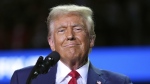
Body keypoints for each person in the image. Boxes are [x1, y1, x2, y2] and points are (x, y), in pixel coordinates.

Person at [11, 4, 133, 84]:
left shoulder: (119, 82)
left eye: (78, 29)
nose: (70, 36)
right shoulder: (24, 79)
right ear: (51, 42)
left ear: (91, 40)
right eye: (62, 30)